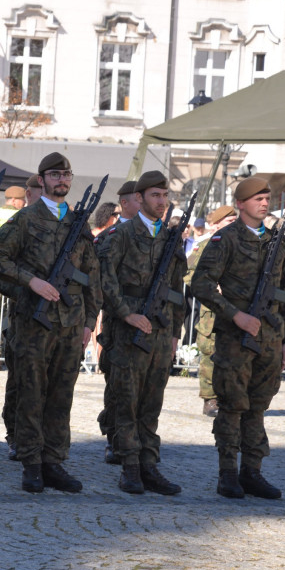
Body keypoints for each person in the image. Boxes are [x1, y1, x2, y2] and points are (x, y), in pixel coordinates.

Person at [0, 152, 101, 494]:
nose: (61, 180)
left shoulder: (79, 224)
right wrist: (28, 283)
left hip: (70, 323)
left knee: (61, 395)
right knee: (31, 394)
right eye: (54, 175)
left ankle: (54, 461)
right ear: (41, 180)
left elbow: (92, 274)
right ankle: (31, 464)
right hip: (34, 326)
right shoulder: (25, 220)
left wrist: (90, 320)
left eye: (65, 174)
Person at [190, 177, 285, 499]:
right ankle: (228, 474)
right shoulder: (226, 240)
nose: (264, 202)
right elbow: (201, 284)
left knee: (258, 407)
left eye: (267, 197)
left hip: (270, 339)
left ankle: (253, 471)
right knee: (233, 406)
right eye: (257, 198)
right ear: (241, 204)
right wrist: (235, 314)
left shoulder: (277, 243)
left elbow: (284, 294)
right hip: (235, 338)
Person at [97, 171, 184, 495]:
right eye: (154, 196)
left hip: (160, 333)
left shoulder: (170, 238)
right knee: (126, 401)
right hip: (127, 331)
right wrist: (126, 313)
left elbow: (177, 290)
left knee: (151, 403)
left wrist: (175, 331)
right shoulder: (121, 234)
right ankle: (130, 467)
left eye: (164, 196)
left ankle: (149, 465)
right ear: (140, 197)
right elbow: (105, 280)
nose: (160, 202)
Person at [95, 180, 140, 464]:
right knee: (116, 386)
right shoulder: (108, 236)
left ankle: (139, 443)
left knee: (145, 389)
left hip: (151, 323)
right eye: (139, 198)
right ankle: (114, 438)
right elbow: (100, 282)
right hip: (118, 323)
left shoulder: (159, 237)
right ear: (125, 202)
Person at [183, 205, 236, 417]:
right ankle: (209, 398)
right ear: (216, 225)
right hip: (212, 309)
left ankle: (228, 397)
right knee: (210, 353)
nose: (235, 225)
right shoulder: (204, 245)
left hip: (237, 309)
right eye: (230, 222)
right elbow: (188, 274)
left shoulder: (242, 246)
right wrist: (212, 287)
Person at [0, 186, 28, 369]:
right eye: (22, 200)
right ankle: (5, 353)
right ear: (16, 200)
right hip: (13, 273)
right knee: (10, 315)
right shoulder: (21, 217)